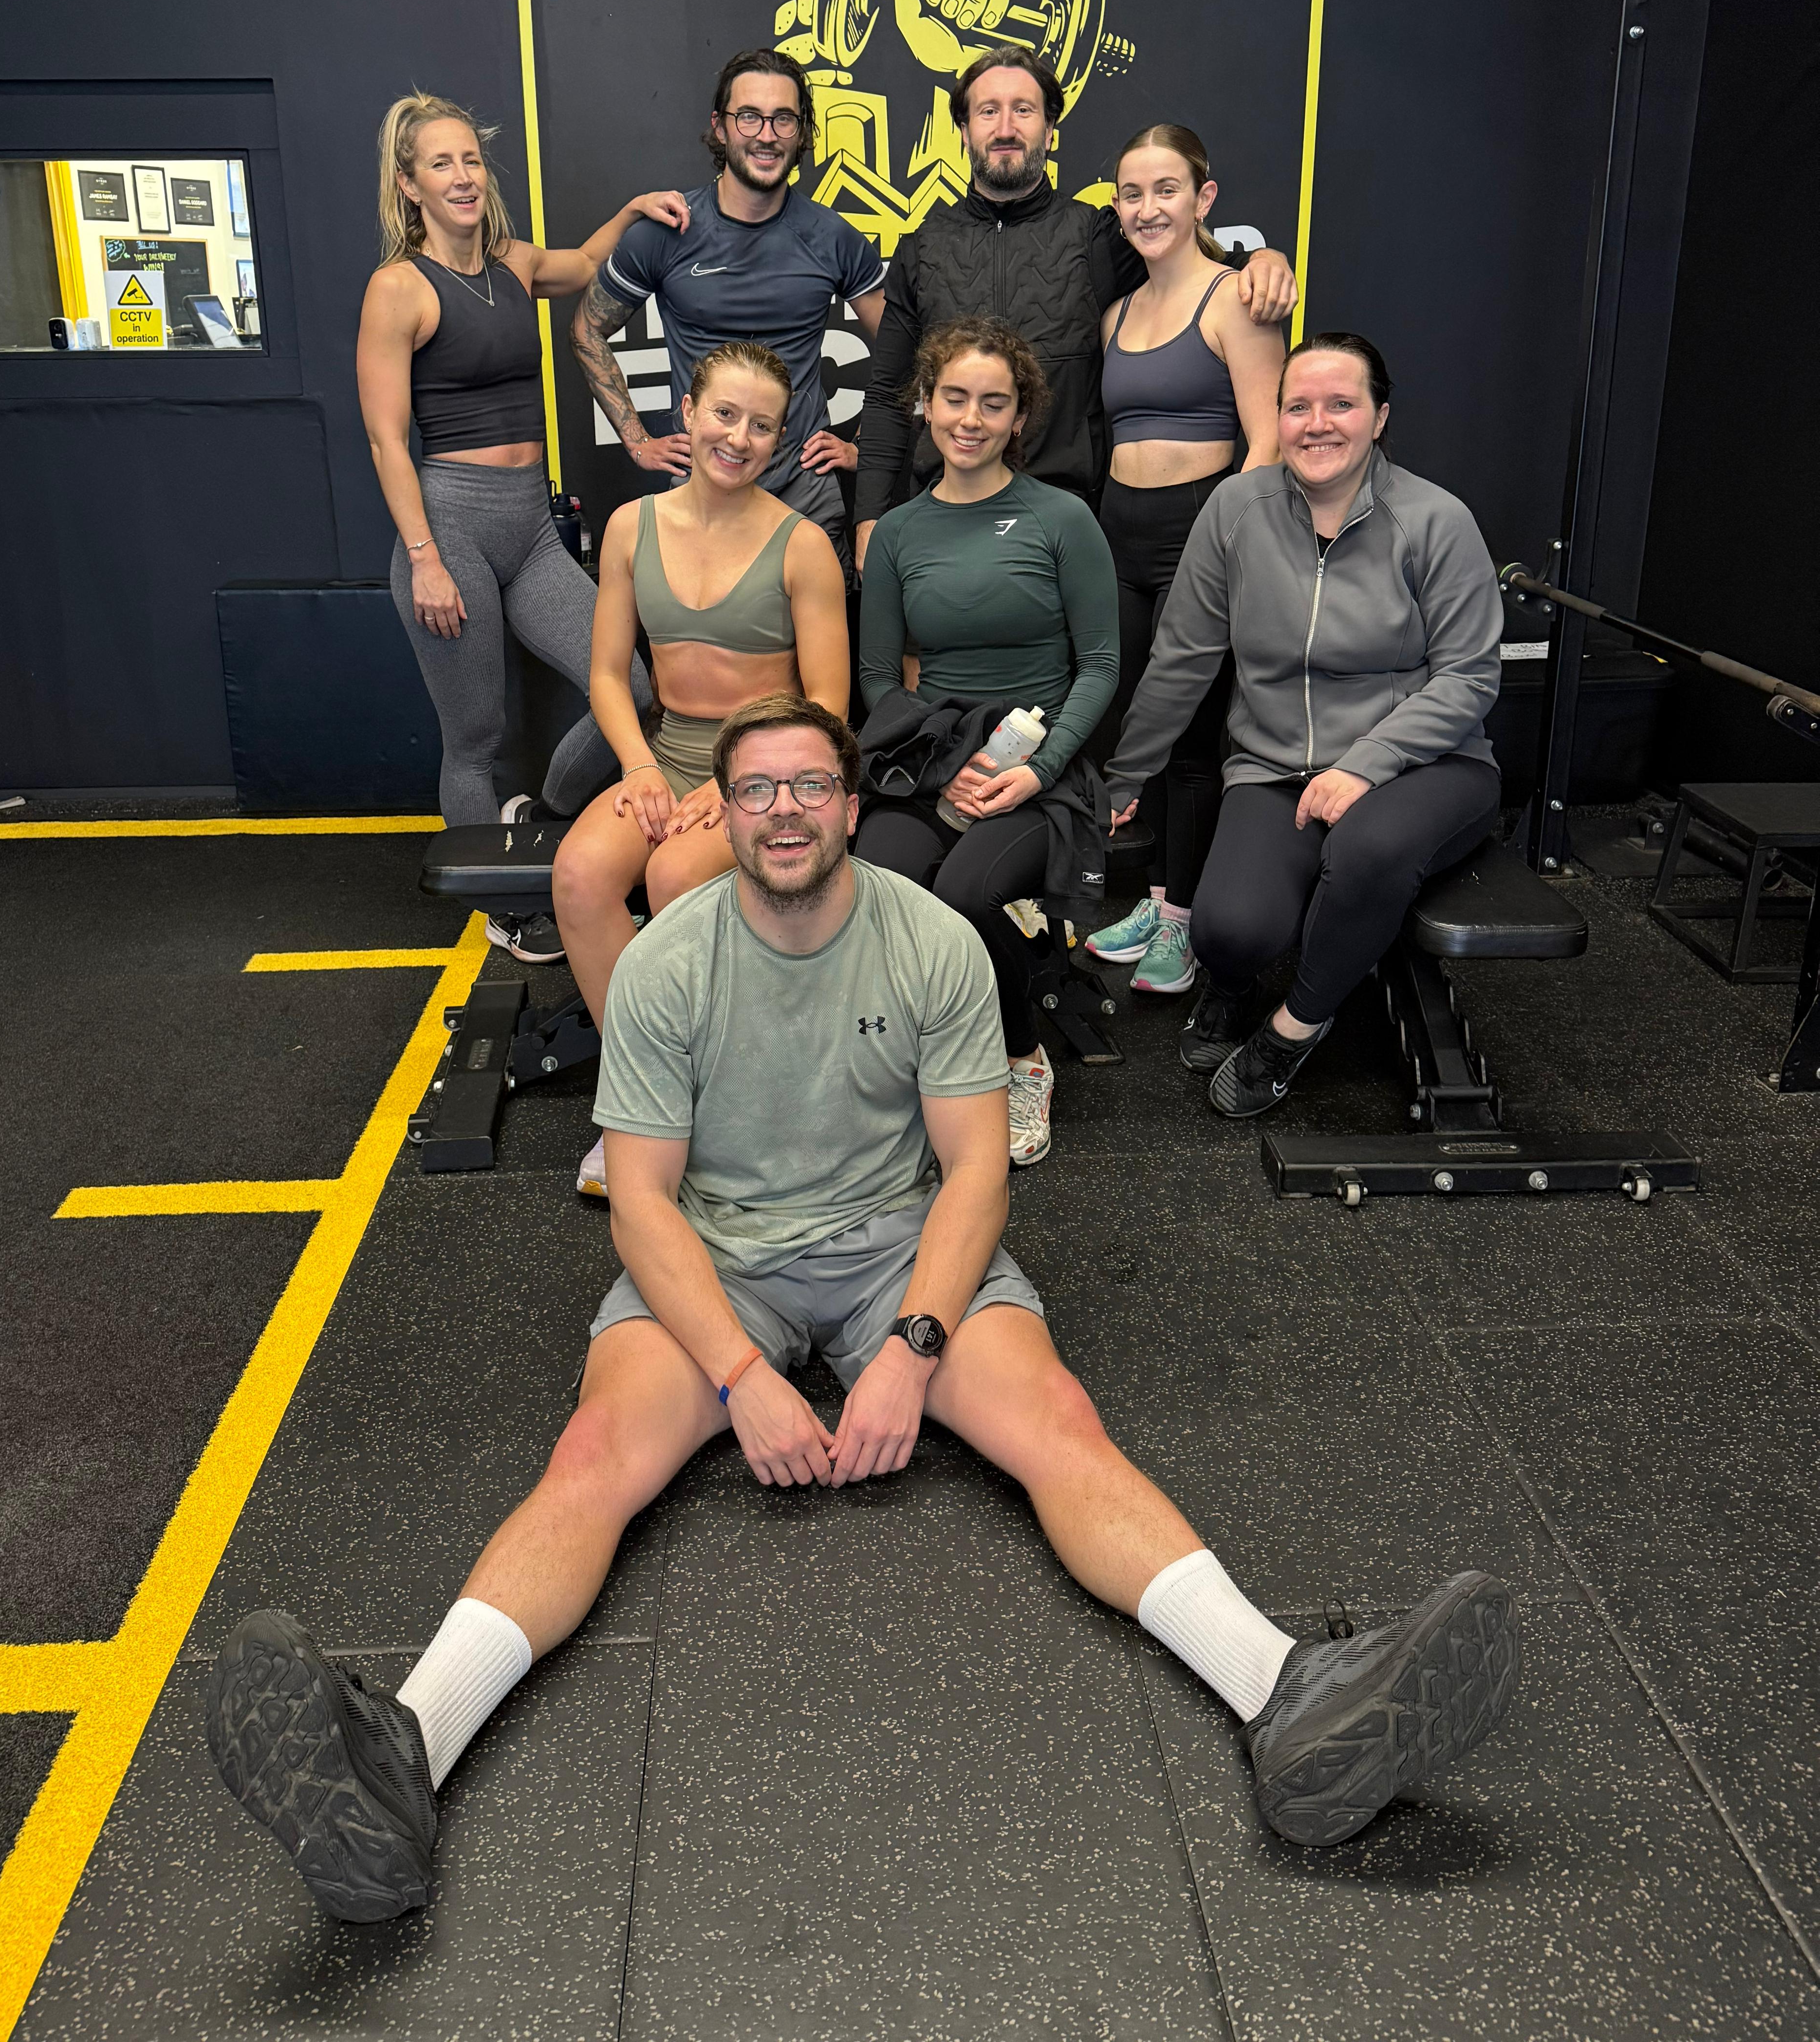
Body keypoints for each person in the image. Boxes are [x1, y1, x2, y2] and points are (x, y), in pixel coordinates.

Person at [203, 692, 1522, 1924]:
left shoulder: (932, 941)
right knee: (593, 1456)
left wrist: (911, 1348)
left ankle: (1285, 1695)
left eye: (809, 786)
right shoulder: (665, 965)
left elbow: (975, 1171)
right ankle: (407, 1757)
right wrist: (741, 1374)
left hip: (901, 1246)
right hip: (719, 1253)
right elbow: (644, 1200)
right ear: (724, 811)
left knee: (1061, 1424)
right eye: (756, 789)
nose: (783, 810)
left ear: (848, 805)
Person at [1106, 334, 1504, 1116]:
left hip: (1426, 765)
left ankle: (1293, 1029)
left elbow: (1469, 676)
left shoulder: (1436, 519)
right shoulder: (1235, 509)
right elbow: (1182, 657)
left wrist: (1366, 764)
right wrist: (1125, 776)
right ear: (1278, 418)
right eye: (1298, 407)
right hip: (1277, 764)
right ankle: (1232, 984)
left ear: (1379, 418)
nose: (1317, 424)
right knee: (1229, 932)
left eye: (1341, 404)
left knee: (1369, 850)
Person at [358, 91, 680, 963]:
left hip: (530, 525)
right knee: (475, 739)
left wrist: (631, 212)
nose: (463, 177)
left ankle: (544, 817)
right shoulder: (400, 288)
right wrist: (425, 558)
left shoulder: (509, 261)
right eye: (442, 164)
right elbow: (387, 440)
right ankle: (500, 909)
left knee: (631, 691)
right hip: (450, 527)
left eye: (471, 160)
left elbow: (581, 264)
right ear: (410, 185)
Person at [549, 344, 848, 1200]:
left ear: (780, 439)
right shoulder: (631, 528)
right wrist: (639, 767)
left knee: (678, 877)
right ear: (687, 411)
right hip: (670, 752)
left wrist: (741, 788)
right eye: (724, 414)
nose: (738, 438)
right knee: (579, 875)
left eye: (762, 425)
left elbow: (827, 704)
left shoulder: (802, 547)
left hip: (767, 768)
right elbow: (610, 676)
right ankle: (637, 1101)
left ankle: (720, 1103)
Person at [852, 47, 1299, 565]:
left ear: (1049, 130)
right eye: (988, 111)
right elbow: (887, 395)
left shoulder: (1097, 236)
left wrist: (1263, 259)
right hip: (946, 519)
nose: (1005, 128)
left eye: (1024, 110)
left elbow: (1190, 262)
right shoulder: (922, 247)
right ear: (964, 130)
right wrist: (870, 517)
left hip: (1068, 528)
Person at [854, 317, 1119, 1169]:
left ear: (1020, 418)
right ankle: (927, 1054)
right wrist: (938, 767)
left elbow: (1101, 665)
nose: (971, 419)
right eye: (955, 398)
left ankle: (1020, 1056)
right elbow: (877, 678)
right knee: (882, 884)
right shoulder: (897, 532)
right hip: (934, 756)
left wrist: (1040, 768)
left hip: (1040, 764)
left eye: (993, 404)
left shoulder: (1062, 518)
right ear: (926, 404)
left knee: (968, 895)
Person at [1081, 124, 1285, 1000]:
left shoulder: (1237, 298)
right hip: (1118, 536)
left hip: (1200, 530)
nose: (1148, 208)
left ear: (1203, 199)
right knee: (1146, 726)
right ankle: (1161, 899)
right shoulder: (1116, 315)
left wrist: (1221, 546)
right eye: (1132, 194)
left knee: (1196, 740)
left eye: (1166, 190)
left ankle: (1188, 920)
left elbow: (1268, 441)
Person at [570, 48, 887, 571]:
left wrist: (866, 448)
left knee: (819, 629)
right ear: (720, 127)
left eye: (784, 119)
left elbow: (906, 349)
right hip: (700, 497)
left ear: (803, 133)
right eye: (750, 117)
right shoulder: (668, 230)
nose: (767, 135)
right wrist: (638, 441)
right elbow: (587, 330)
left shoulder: (833, 237)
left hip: (804, 497)